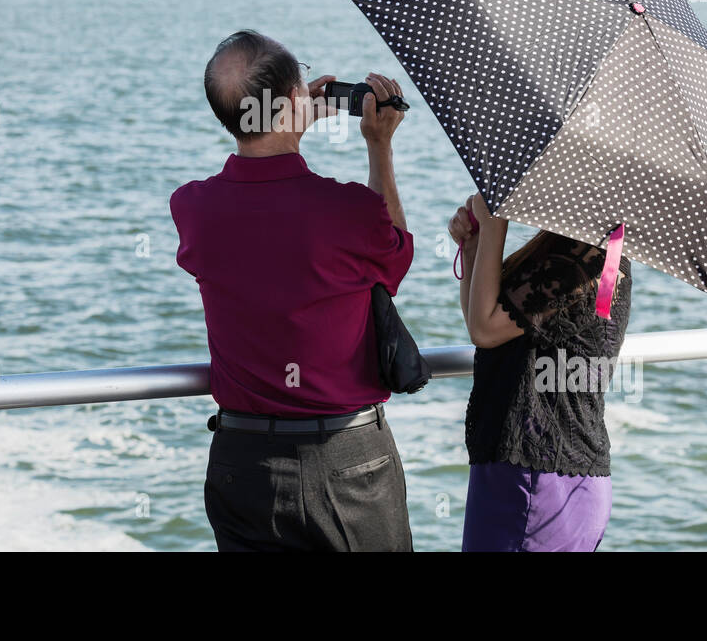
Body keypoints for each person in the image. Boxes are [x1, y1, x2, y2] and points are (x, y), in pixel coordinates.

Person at [170, 29, 415, 551]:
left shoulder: (192, 209)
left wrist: (290, 119)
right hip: (345, 463)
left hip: (242, 465)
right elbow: (395, 258)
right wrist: (379, 146)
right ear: (287, 104)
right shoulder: (346, 210)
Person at [448, 192, 631, 552]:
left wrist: (494, 224)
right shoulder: (605, 250)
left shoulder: (574, 263)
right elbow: (485, 318)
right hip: (566, 472)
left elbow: (484, 329)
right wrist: (474, 246)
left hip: (534, 480)